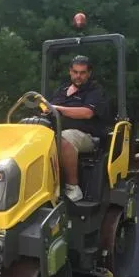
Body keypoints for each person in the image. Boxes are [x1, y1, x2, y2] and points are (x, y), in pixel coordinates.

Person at [50, 55, 108, 202]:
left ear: (89, 73)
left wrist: (58, 109)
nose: (78, 76)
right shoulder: (61, 90)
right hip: (57, 130)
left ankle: (73, 188)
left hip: (87, 136)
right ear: (70, 71)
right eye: (75, 72)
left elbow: (87, 113)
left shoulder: (95, 90)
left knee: (63, 139)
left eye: (82, 73)